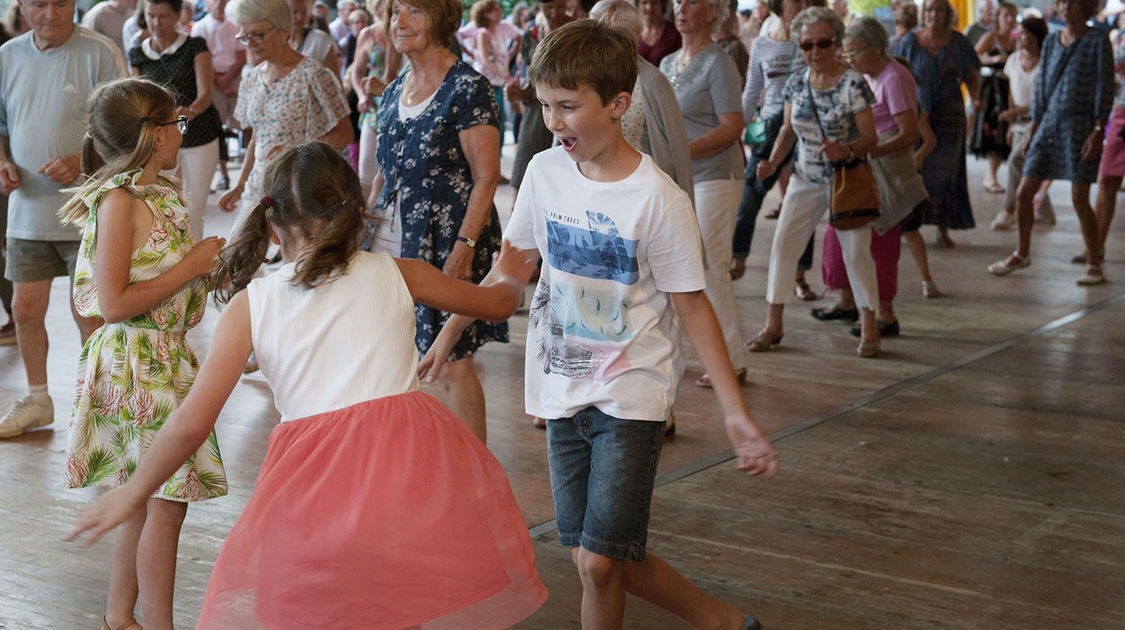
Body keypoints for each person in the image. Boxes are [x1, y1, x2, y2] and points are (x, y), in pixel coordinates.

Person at [66, 141, 548, 629]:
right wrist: (510, 269)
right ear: (356, 215)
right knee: (395, 607)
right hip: (404, 479)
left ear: (273, 230)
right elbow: (499, 304)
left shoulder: (252, 305)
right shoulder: (401, 273)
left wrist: (134, 491)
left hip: (312, 487)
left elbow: (192, 422)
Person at [419, 20, 777, 630]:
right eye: (545, 106)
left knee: (599, 559)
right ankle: (721, 620)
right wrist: (450, 331)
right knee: (598, 560)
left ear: (618, 104)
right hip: (560, 392)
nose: (554, 123)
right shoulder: (544, 173)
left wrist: (733, 408)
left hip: (631, 392)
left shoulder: (657, 199)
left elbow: (692, 305)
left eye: (568, 106)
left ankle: (719, 621)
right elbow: (509, 276)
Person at [58, 77, 226, 630]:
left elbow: (174, 285)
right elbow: (111, 304)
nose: (183, 131)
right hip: (135, 360)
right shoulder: (118, 202)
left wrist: (215, 268)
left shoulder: (162, 196)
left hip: (162, 356)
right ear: (153, 136)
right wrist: (192, 267)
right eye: (176, 122)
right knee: (166, 501)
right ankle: (155, 623)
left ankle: (118, 618)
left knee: (142, 494)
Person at [365, 0, 506, 443]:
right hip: (389, 241)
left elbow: (486, 177)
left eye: (414, 11)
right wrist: (362, 235)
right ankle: (408, 461)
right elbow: (383, 174)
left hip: (446, 239)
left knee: (451, 362)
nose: (400, 22)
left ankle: (475, 476)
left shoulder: (468, 88)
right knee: (390, 354)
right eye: (395, 12)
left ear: (442, 21)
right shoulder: (392, 91)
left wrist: (464, 248)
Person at [0, 0, 126, 439]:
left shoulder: (100, 51)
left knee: (89, 315)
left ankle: (103, 405)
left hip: (85, 211)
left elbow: (127, 130)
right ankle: (38, 400)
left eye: (60, 3)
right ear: (21, 6)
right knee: (25, 310)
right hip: (27, 212)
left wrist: (82, 160)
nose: (50, 13)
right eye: (39, 3)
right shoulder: (7, 56)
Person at [752, 6, 883, 357]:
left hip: (846, 179)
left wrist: (848, 148)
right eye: (807, 46)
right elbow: (788, 129)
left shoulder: (853, 82)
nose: (815, 52)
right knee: (783, 247)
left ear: (837, 43)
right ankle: (773, 324)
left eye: (822, 44)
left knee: (856, 253)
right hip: (805, 177)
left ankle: (870, 323)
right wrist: (772, 162)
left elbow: (872, 138)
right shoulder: (797, 82)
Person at [816, 17, 934, 337]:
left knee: (879, 243)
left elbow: (909, 134)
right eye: (847, 53)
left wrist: (865, 151)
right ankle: (846, 300)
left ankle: (885, 313)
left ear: (877, 49)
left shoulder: (895, 77)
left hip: (882, 170)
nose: (850, 60)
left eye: (855, 53)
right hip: (860, 164)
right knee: (840, 229)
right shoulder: (865, 76)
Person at [988, 0, 1113, 285]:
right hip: (1048, 125)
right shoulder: (1053, 41)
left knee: (1079, 198)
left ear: (1088, 7)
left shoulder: (1097, 41)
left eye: (1074, 3)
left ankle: (1094, 263)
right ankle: (1022, 252)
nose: (1067, 7)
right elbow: (1043, 86)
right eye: (1063, 2)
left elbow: (1104, 87)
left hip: (1080, 127)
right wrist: (1034, 127)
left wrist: (1098, 130)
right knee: (1024, 191)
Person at [661, 0, 748, 386]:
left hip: (716, 174)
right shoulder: (666, 63)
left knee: (712, 266)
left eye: (691, 2)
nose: (681, 8)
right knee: (676, 268)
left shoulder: (719, 62)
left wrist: (683, 151)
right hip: (678, 178)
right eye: (678, 1)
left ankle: (731, 359)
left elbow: (732, 126)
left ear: (711, 12)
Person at [216, 0, 351, 227]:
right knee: (239, 256)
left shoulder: (313, 74)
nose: (250, 43)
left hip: (300, 190)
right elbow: (258, 138)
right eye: (245, 36)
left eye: (257, 35)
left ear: (283, 30)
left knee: (294, 261)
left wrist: (296, 152)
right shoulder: (251, 78)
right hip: (258, 187)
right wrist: (239, 185)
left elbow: (345, 134)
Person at [731, 0, 820, 296]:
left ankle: (799, 275)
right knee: (749, 196)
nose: (803, 3)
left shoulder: (812, 40)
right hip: (768, 125)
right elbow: (752, 89)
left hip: (804, 128)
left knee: (800, 203)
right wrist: (737, 129)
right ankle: (738, 258)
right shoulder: (761, 43)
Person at [129, 0, 223, 241]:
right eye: (151, 16)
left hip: (199, 134)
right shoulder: (138, 53)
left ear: (178, 15)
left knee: (194, 210)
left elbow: (206, 94)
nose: (156, 23)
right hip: (160, 138)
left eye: (163, 17)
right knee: (157, 208)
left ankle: (196, 272)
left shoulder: (195, 46)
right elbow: (139, 99)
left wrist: (189, 111)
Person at [894, 0, 981, 249]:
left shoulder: (959, 41)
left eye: (939, 9)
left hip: (949, 114)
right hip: (916, 113)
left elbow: (971, 75)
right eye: (929, 9)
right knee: (913, 169)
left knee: (945, 174)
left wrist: (974, 99)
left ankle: (943, 228)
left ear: (947, 14)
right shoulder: (910, 41)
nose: (933, 14)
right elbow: (898, 75)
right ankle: (909, 226)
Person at [589, 0, 693, 200]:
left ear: (635, 35)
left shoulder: (653, 81)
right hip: (593, 187)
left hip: (641, 193)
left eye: (613, 33)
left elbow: (676, 149)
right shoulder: (582, 78)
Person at [989, 16, 1051, 231]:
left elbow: (1044, 99)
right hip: (1019, 122)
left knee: (1017, 161)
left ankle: (1008, 210)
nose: (1019, 37)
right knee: (1029, 167)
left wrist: (1016, 111)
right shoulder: (1014, 59)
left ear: (1035, 37)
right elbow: (1012, 94)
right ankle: (1045, 211)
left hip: (1039, 121)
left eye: (1024, 33)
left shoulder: (1047, 61)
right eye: (1020, 32)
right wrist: (1013, 120)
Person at [507, 0, 573, 191]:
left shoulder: (577, 30)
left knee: (563, 170)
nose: (555, 13)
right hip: (539, 107)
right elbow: (531, 84)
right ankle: (520, 213)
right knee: (525, 165)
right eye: (548, 8)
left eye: (560, 7)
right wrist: (517, 94)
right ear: (539, 7)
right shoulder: (531, 36)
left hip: (571, 105)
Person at [193, 0, 246, 192]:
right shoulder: (199, 27)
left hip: (234, 79)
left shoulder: (235, 26)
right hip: (211, 81)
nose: (218, 3)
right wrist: (218, 81)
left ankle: (247, 174)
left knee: (245, 125)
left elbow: (242, 54)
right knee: (216, 129)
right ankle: (222, 174)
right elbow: (200, 58)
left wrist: (229, 79)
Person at [350, 0, 400, 198]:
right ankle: (366, 220)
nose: (384, 6)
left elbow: (391, 75)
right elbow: (356, 72)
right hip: (374, 108)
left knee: (392, 170)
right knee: (366, 167)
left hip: (400, 103)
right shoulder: (367, 34)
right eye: (379, 2)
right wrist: (362, 96)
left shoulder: (403, 31)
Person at [970, 0, 1017, 194]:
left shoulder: (1015, 41)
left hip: (1007, 90)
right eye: (1005, 15)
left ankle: (993, 174)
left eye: (1012, 16)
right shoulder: (991, 37)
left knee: (1003, 128)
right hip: (990, 90)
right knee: (991, 129)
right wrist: (993, 59)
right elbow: (974, 56)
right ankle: (990, 175)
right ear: (998, 18)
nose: (1010, 20)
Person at [471, 0, 516, 141]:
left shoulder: (497, 32)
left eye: (499, 8)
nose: (499, 11)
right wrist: (506, 76)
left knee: (499, 121)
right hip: (487, 83)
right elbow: (485, 60)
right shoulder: (483, 34)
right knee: (492, 122)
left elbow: (502, 57)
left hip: (498, 81)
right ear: (485, 14)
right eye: (494, 10)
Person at [287, 0, 341, 75]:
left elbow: (335, 76)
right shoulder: (277, 40)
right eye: (294, 12)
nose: (299, 18)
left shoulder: (320, 39)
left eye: (303, 12)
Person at [637, 0, 680, 65]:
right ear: (638, 5)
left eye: (654, 3)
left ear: (662, 5)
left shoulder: (675, 33)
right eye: (644, 2)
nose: (649, 7)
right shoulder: (632, 32)